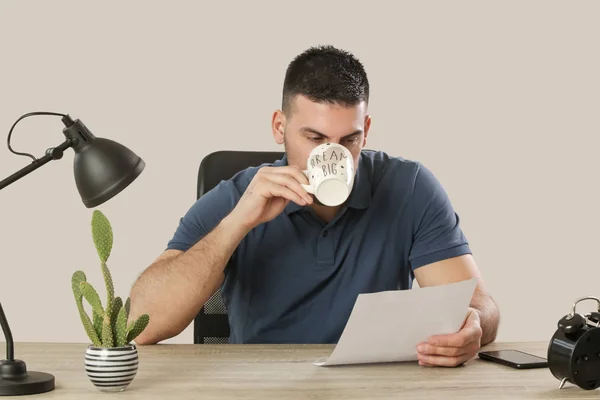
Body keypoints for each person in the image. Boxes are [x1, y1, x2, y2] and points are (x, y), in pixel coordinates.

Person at [129, 45, 500, 367]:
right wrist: (237, 224)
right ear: (280, 127)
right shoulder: (236, 197)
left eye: (349, 139)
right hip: (258, 385)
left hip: (373, 384)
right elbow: (139, 321)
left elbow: (479, 306)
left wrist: (473, 326)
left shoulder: (409, 188)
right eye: (315, 137)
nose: (333, 155)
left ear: (366, 130)